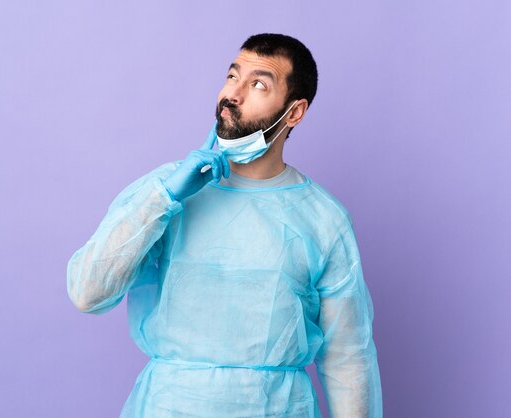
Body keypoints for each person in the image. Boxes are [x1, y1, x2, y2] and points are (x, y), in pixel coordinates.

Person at [67, 33, 383, 417]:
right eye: (233, 77)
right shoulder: (169, 191)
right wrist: (163, 199)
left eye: (258, 85)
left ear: (295, 112)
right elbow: (88, 292)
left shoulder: (323, 218)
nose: (234, 93)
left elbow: (348, 358)